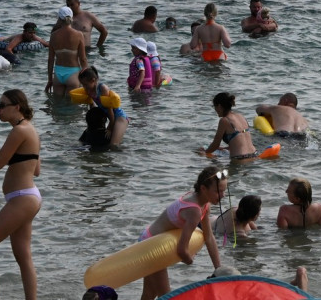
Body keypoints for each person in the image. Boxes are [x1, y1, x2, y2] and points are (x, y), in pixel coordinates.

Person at [0, 89, 41, 300]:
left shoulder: (19, 131)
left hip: (22, 198)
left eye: (2, 106)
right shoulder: (30, 130)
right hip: (27, 196)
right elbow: (36, 170)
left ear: (17, 107)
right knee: (23, 256)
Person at [139, 166, 225, 300]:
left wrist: (218, 269)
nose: (222, 195)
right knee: (166, 296)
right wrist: (189, 259)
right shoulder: (194, 210)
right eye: (218, 191)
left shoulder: (203, 203)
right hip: (153, 247)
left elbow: (209, 237)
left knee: (150, 294)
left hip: (148, 239)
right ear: (203, 188)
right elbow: (182, 250)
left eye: (224, 191)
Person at [77, 66, 129, 146]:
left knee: (113, 145)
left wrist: (109, 128)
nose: (84, 87)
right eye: (82, 85)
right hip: (110, 117)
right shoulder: (89, 90)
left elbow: (110, 109)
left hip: (119, 118)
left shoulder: (102, 88)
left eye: (85, 84)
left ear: (93, 80)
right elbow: (92, 107)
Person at [203, 92, 257, 160]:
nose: (215, 110)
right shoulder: (241, 116)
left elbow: (215, 145)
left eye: (214, 106)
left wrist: (204, 153)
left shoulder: (224, 120)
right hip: (254, 155)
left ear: (219, 106)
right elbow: (242, 140)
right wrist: (225, 148)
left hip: (239, 158)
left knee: (200, 151)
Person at [47, 6, 87, 96]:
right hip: (73, 74)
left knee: (57, 106)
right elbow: (83, 58)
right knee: (72, 107)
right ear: (71, 18)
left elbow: (50, 59)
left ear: (59, 18)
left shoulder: (53, 36)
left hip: (58, 74)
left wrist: (50, 79)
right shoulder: (78, 35)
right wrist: (86, 80)